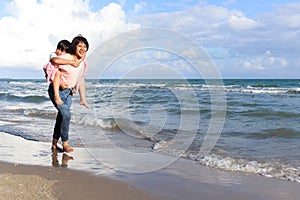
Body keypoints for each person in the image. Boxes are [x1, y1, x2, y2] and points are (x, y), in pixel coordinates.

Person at [48, 35, 90, 153]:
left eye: (85, 46)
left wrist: (83, 98)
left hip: (68, 93)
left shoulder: (83, 63)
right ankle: (65, 143)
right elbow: (54, 65)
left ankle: (54, 145)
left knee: (61, 117)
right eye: (80, 46)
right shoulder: (66, 57)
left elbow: (81, 79)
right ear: (74, 46)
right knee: (66, 115)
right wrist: (56, 94)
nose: (82, 48)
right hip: (57, 91)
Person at [43, 40, 83, 105]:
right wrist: (71, 62)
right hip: (53, 73)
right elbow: (55, 60)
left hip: (65, 83)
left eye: (62, 50)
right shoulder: (54, 54)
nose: (58, 51)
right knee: (58, 73)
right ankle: (57, 94)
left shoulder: (67, 57)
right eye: (58, 48)